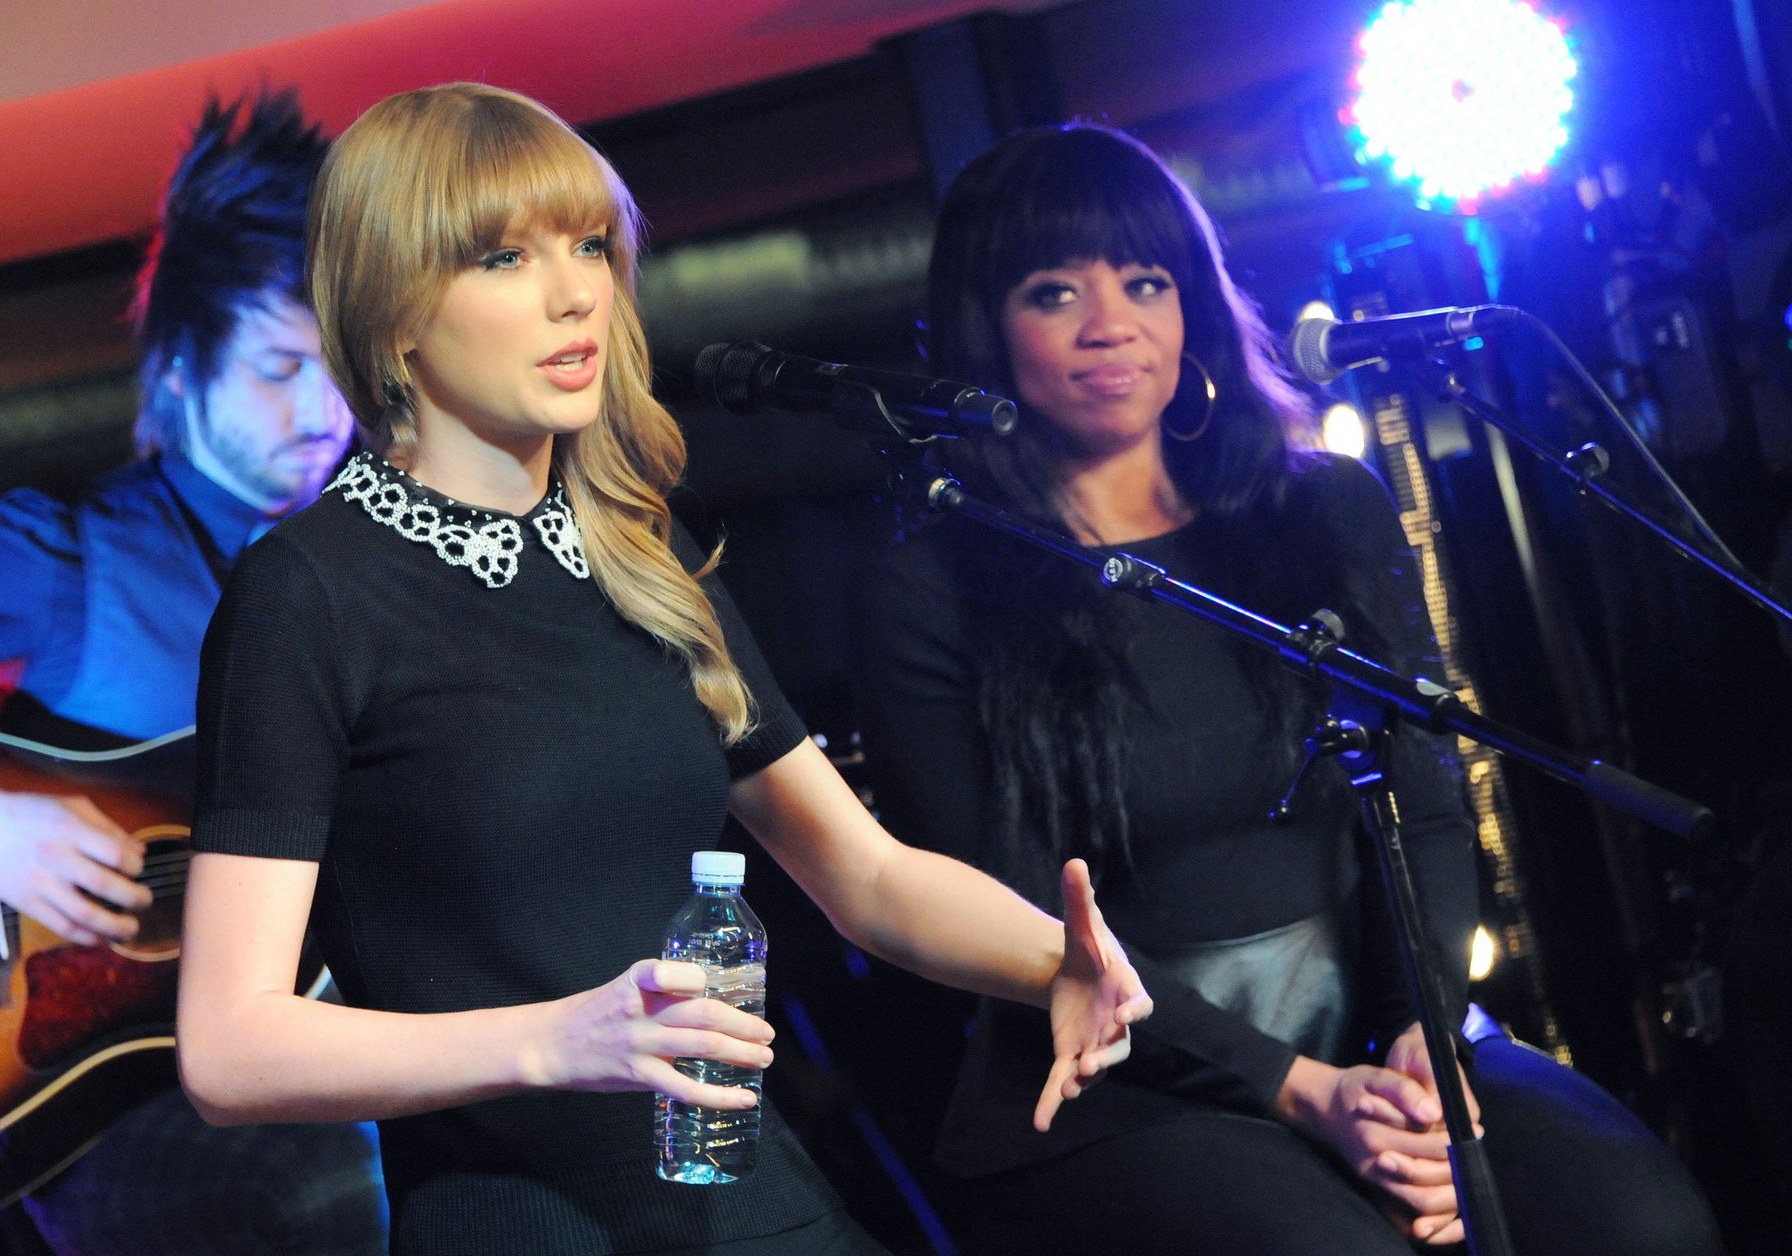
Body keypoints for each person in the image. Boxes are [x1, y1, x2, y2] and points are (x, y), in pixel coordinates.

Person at [174, 82, 1150, 1256]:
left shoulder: (641, 553)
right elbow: (229, 1048)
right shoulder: (307, 591)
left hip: (748, 1203)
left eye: (586, 243)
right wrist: (559, 1039)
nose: (574, 288)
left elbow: (870, 877)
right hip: (521, 1223)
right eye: (501, 256)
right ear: (393, 314)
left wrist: (1055, 957)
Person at [851, 122, 1727, 1255]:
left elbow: (1427, 781)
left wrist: (1421, 1028)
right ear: (987, 328)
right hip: (1120, 1070)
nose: (1110, 321)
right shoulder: (928, 587)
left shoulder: (1326, 511)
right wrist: (1295, 1084)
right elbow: (1010, 914)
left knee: (1642, 1224)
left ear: (1193, 311)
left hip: (1375, 1018)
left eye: (1146, 280)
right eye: (1054, 290)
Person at [0, 92, 384, 1254]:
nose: (325, 413)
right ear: (176, 369)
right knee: (329, 1185)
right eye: (280, 366)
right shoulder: (68, 557)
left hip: (322, 1072)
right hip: (110, 1106)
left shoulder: (378, 573)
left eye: (345, 370)